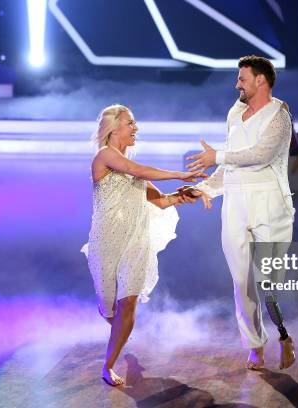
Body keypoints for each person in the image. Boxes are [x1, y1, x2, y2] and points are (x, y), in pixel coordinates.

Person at [182, 55, 297, 370]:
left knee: (268, 283)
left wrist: (216, 156)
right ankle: (255, 346)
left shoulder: (280, 115)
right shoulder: (234, 113)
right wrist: (206, 188)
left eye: (242, 79)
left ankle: (284, 336)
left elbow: (259, 156)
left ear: (261, 80)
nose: (237, 85)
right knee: (241, 281)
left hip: (269, 203)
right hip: (235, 203)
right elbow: (229, 164)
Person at [81, 104, 206, 386]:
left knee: (128, 305)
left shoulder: (136, 174)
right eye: (131, 123)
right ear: (113, 129)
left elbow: (162, 200)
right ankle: (115, 326)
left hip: (137, 243)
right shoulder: (103, 156)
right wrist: (179, 173)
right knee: (110, 308)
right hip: (106, 243)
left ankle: (108, 365)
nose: (135, 128)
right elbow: (135, 168)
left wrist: (185, 194)